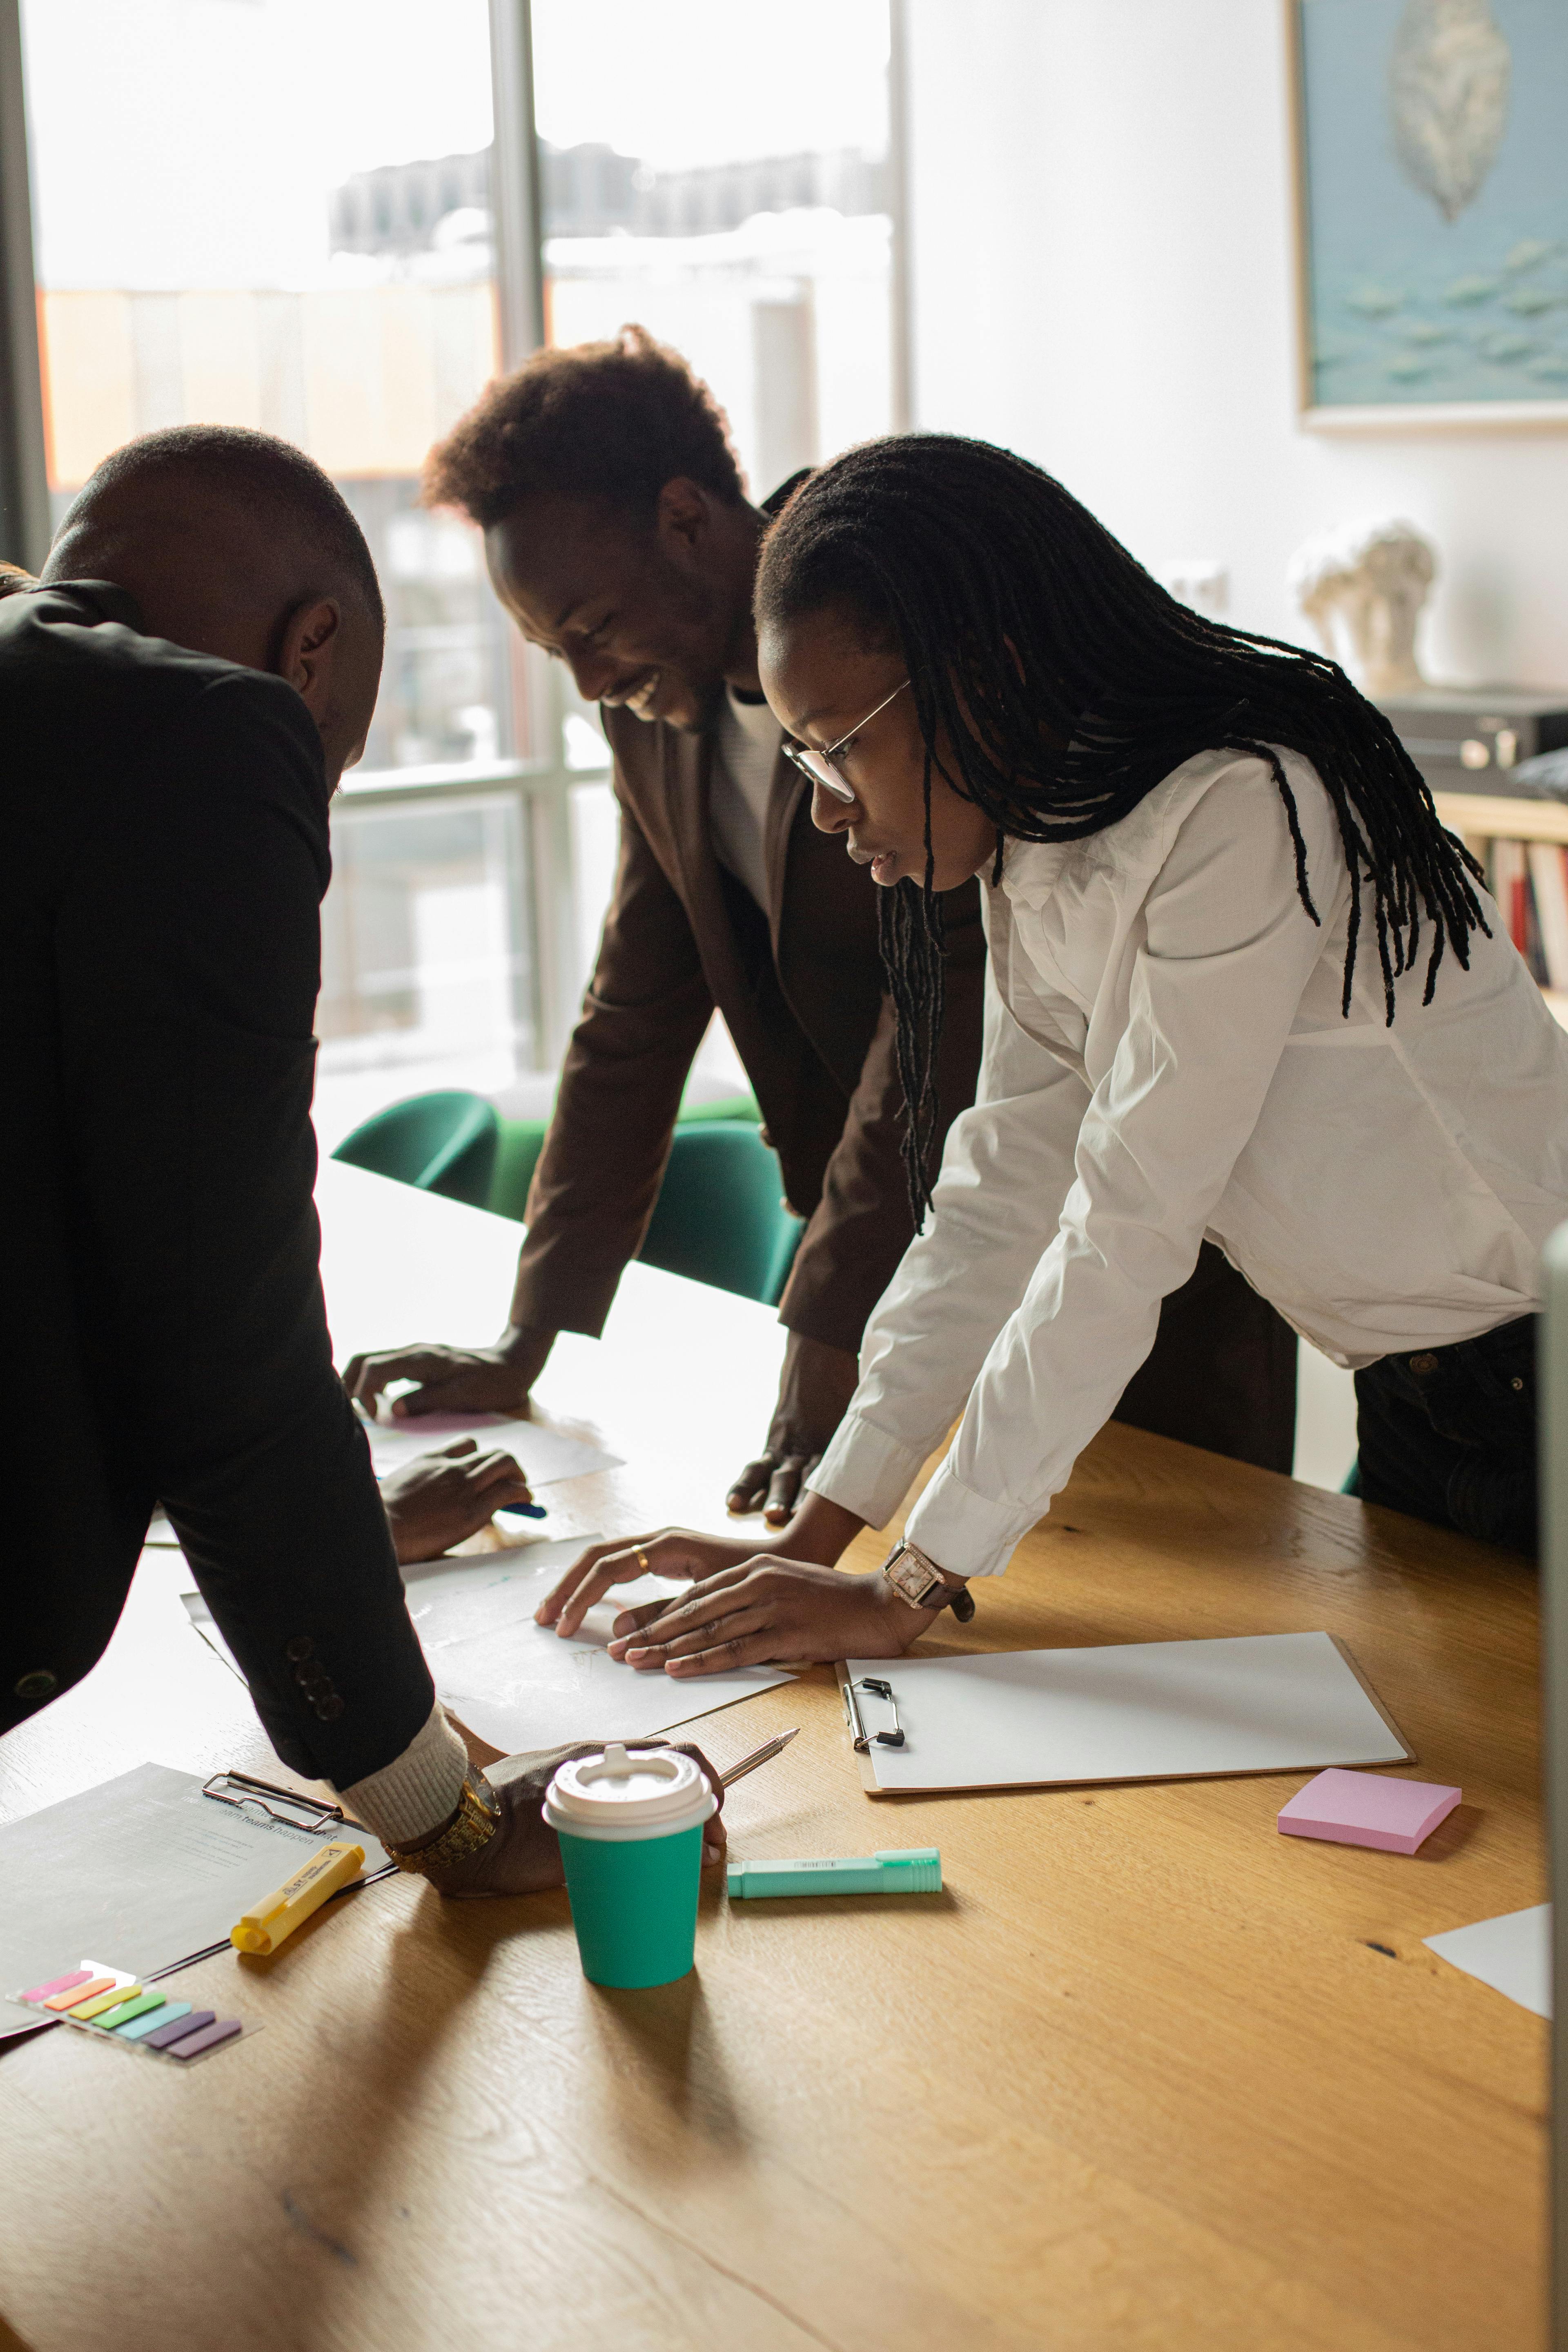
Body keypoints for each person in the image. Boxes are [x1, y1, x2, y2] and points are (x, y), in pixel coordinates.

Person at [537, 431, 1568, 1677]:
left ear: (985, 678)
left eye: (837, 746)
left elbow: (1129, 1215)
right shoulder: (1035, 848)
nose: (824, 805)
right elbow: (996, 1196)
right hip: (1424, 1402)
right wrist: (824, 1535)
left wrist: (912, 1585)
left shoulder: (1238, 809)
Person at [342, 329, 1297, 1528]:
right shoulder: (655, 716)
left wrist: (826, 1333)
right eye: (551, 652)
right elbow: (631, 1018)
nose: (585, 680)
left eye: (589, 625)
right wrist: (524, 1342)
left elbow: (939, 1005)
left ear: (686, 519)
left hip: (1116, 1252)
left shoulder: (889, 618)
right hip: (922, 1266)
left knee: (1167, 1624)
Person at [2, 423, 724, 1891]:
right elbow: (221, 1334)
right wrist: (437, 1805)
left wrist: (332, 1531)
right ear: (312, 648)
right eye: (336, 761)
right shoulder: (199, 739)